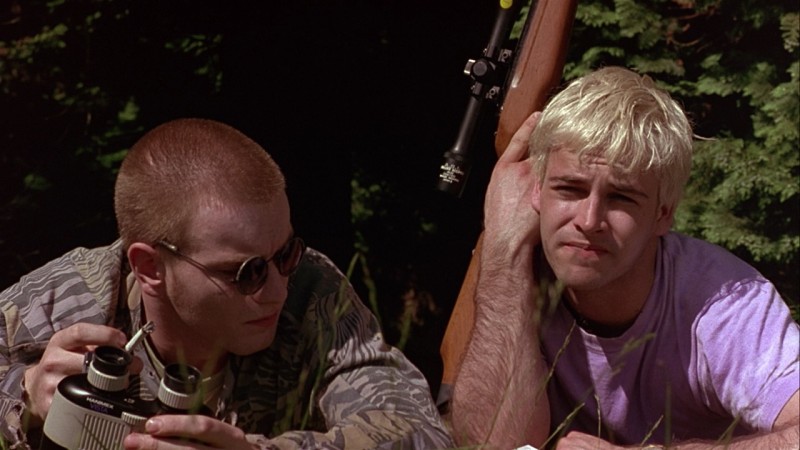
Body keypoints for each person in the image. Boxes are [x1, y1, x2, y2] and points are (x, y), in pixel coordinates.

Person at [0, 118, 454, 449]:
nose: (276, 289)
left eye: (286, 254)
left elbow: (420, 432)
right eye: (246, 272)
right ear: (151, 267)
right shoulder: (66, 300)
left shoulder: (311, 291)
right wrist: (24, 397)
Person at [446, 66, 799, 449]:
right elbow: (490, 443)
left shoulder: (723, 302)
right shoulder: (516, 273)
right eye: (570, 189)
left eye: (620, 198)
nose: (589, 220)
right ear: (536, 192)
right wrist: (504, 249)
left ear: (663, 213)